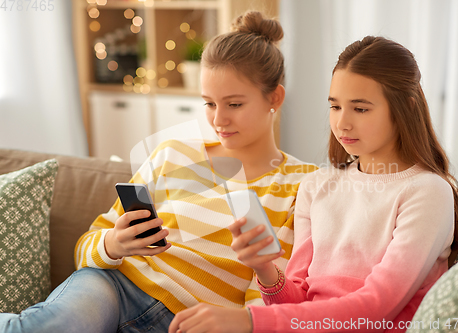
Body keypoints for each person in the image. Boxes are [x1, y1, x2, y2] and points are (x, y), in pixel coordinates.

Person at [0, 11, 317, 333]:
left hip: (188, 321)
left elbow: (273, 301)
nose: (219, 120)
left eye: (234, 104)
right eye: (209, 103)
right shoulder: (173, 153)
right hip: (113, 287)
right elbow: (85, 247)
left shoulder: (300, 184)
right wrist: (114, 243)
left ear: (274, 98)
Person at [168, 36, 458, 333]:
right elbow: (296, 303)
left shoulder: (427, 192)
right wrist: (265, 270)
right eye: (335, 107)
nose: (343, 123)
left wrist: (250, 321)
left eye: (360, 109)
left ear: (406, 107)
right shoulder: (316, 186)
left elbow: (375, 308)